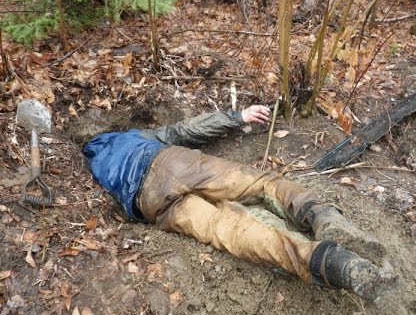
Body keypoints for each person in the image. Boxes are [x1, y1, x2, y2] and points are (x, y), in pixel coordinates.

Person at [83, 105, 397, 300]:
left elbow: (110, 210)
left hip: (146, 203)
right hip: (170, 161)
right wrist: (236, 117)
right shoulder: (137, 136)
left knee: (229, 229)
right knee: (263, 185)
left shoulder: (97, 172)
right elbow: (188, 130)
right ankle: (321, 215)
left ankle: (332, 265)